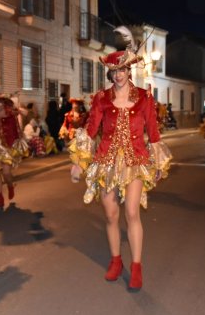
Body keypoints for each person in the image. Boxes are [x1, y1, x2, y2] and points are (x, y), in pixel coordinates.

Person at [68, 45, 171, 291]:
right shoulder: (101, 99)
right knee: (111, 215)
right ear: (110, 74)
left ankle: (136, 266)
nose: (118, 75)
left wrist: (157, 162)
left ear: (129, 70)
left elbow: (153, 134)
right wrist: (77, 163)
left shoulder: (145, 98)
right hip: (106, 162)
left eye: (122, 69)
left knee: (132, 213)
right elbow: (91, 130)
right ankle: (116, 260)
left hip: (135, 161)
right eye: (114, 71)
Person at [0, 95, 27, 208]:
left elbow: (23, 118)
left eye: (0, 102)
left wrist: (18, 110)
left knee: (6, 172)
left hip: (8, 148)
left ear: (5, 103)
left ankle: (10, 185)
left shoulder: (11, 115)